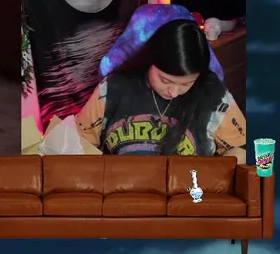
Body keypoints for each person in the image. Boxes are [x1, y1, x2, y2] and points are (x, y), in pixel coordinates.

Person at [74, 18, 247, 159]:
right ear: (150, 62)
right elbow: (81, 141)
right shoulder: (114, 88)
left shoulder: (212, 93)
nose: (174, 92)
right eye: (165, 80)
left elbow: (241, 148)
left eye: (186, 84)